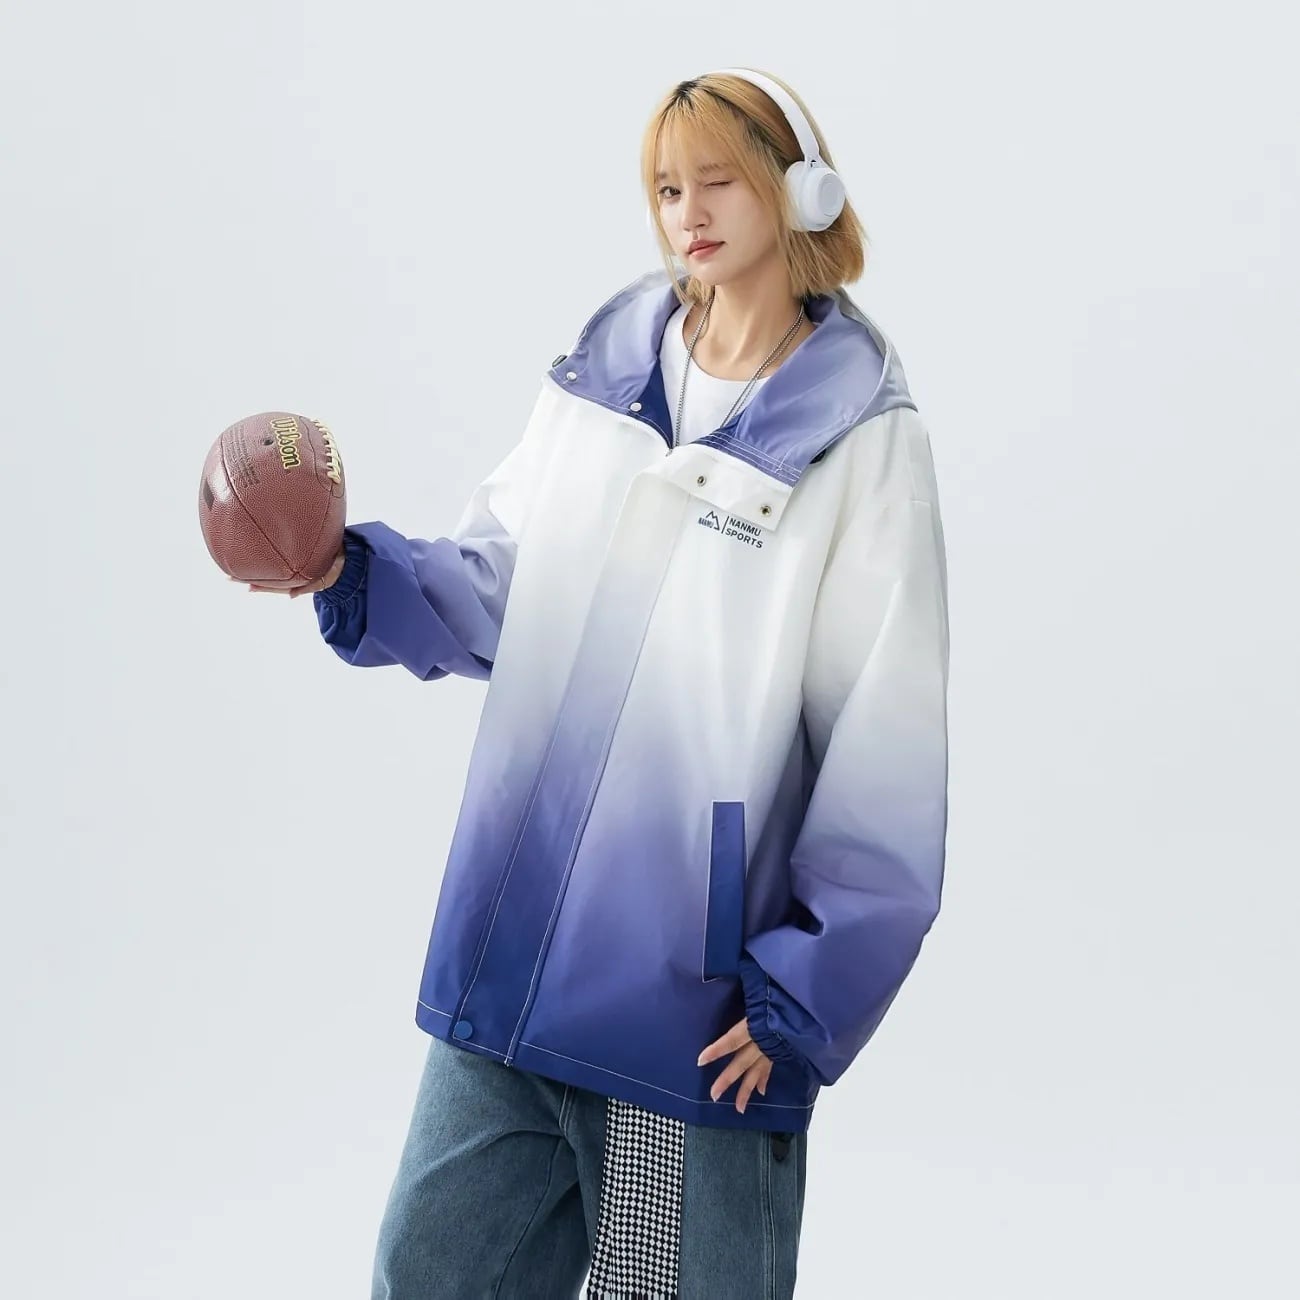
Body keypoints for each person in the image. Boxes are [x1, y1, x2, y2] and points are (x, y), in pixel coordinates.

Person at [242, 66, 950, 1300]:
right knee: (427, 1273)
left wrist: (802, 994)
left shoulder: (857, 437)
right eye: (668, 188)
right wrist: (354, 572)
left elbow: (885, 744)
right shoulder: (605, 372)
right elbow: (501, 580)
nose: (690, 213)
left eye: (719, 181)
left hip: (687, 1005)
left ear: (799, 190)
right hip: (512, 962)